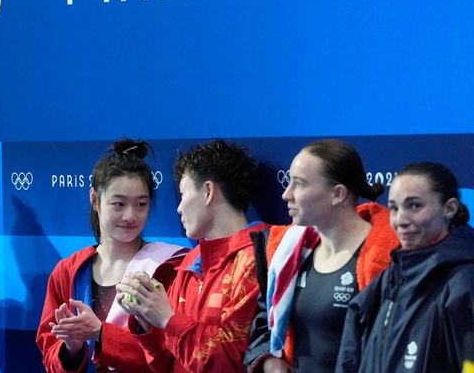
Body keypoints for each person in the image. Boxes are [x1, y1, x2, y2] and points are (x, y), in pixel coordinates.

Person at [244, 139, 398, 373]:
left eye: (300, 184)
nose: (287, 194)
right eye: (289, 182)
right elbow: (266, 320)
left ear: (337, 193)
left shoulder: (389, 261)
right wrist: (267, 359)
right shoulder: (287, 252)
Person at [35, 138, 188, 373]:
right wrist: (71, 348)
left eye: (141, 204)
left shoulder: (170, 268)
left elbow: (174, 354)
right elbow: (50, 353)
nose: (130, 216)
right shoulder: (68, 272)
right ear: (95, 200)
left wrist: (101, 333)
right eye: (118, 204)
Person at [116, 139, 269, 372]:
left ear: (208, 192)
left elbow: (232, 362)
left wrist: (168, 320)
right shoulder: (189, 262)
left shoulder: (258, 260)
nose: (178, 208)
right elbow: (167, 364)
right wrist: (147, 322)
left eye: (183, 194)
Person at [336, 161, 474, 373]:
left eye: (415, 206)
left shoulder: (464, 282)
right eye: (394, 208)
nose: (401, 220)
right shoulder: (392, 276)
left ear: (450, 208)